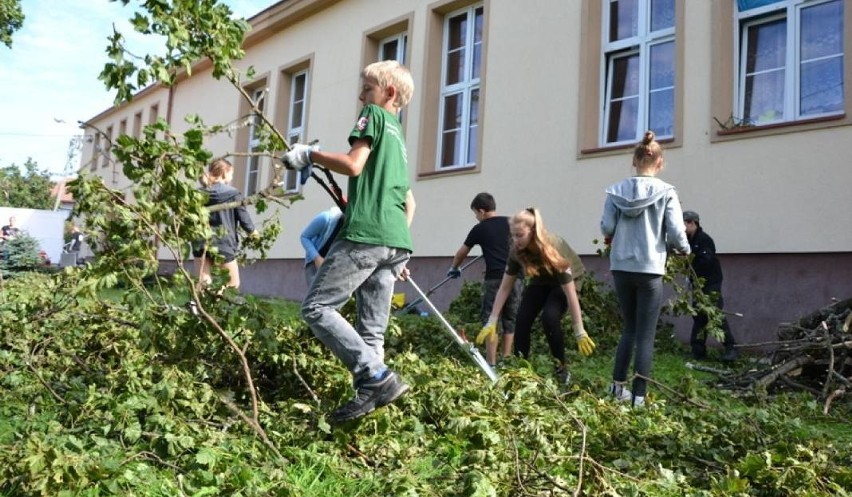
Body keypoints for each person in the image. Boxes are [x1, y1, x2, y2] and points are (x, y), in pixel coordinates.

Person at [284, 60, 416, 423]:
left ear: (388, 93)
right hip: (395, 242)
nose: (362, 95)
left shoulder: (372, 115)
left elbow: (354, 164)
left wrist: (309, 153)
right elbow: (409, 202)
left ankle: (375, 377)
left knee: (317, 308)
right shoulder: (399, 138)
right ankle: (372, 404)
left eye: (368, 88)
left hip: (365, 235)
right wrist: (395, 245)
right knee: (371, 333)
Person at [600, 130, 690, 407]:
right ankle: (639, 397)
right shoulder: (667, 192)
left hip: (622, 266)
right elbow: (675, 232)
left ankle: (617, 389)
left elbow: (607, 227)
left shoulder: (615, 191)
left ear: (634, 160)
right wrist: (685, 249)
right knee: (646, 334)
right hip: (650, 268)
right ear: (660, 163)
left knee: (629, 328)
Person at [478, 208, 596, 385]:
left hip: (565, 282)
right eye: (513, 235)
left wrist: (579, 331)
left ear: (532, 232)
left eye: (520, 235)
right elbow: (504, 288)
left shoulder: (553, 247)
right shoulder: (516, 251)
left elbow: (570, 294)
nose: (515, 240)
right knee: (522, 319)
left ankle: (561, 370)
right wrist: (492, 320)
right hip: (540, 281)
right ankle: (521, 370)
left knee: (550, 317)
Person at [447, 192, 522, 367]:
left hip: (495, 278)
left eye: (475, 213)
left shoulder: (480, 229)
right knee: (510, 319)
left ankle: (491, 362)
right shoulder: (511, 223)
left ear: (481, 211)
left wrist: (454, 268)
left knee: (491, 319)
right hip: (517, 277)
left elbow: (461, 253)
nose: (476, 217)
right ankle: (506, 359)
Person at [192, 158, 257, 290]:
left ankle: (196, 305)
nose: (231, 177)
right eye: (231, 174)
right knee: (232, 284)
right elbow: (244, 218)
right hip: (223, 243)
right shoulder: (233, 194)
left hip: (200, 241)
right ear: (224, 174)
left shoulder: (197, 194)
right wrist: (254, 234)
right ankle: (215, 302)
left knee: (204, 281)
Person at [683, 210, 738, 362]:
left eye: (683, 224)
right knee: (699, 315)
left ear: (692, 223)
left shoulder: (704, 240)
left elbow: (706, 261)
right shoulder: (689, 240)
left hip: (710, 283)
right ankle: (698, 350)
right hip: (697, 283)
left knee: (714, 314)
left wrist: (691, 266)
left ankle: (731, 348)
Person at [300, 206, 344, 287]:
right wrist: (317, 258)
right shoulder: (325, 218)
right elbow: (304, 237)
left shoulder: (352, 227)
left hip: (334, 266)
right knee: (315, 297)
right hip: (315, 264)